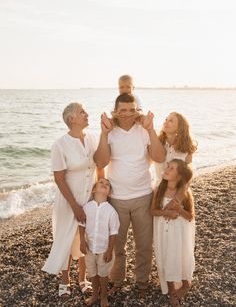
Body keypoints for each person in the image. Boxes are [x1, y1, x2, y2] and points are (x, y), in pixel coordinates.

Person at [93, 93, 165, 296]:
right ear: (115, 111)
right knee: (117, 245)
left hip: (143, 196)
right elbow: (100, 162)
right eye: (123, 110)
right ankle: (116, 280)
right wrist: (104, 135)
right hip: (117, 199)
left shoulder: (144, 131)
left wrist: (151, 129)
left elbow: (159, 157)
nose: (127, 114)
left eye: (132, 110)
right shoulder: (111, 132)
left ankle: (142, 282)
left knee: (143, 244)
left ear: (137, 110)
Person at [42, 102, 103, 297]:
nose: (86, 114)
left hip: (90, 197)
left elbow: (101, 165)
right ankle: (65, 279)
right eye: (81, 112)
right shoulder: (60, 144)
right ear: (71, 119)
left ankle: (82, 278)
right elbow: (59, 179)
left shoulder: (93, 139)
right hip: (69, 200)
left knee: (85, 238)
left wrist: (101, 192)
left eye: (85, 110)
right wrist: (75, 206)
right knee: (67, 239)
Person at [151, 159, 195, 307]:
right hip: (164, 232)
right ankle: (171, 291)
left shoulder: (185, 193)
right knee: (167, 257)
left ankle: (185, 283)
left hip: (180, 233)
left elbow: (190, 216)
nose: (167, 169)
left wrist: (180, 210)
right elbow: (152, 211)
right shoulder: (159, 189)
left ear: (180, 176)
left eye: (171, 168)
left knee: (181, 257)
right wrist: (166, 212)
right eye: (167, 167)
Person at [79, 177, 120, 307]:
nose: (104, 184)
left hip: (104, 250)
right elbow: (81, 224)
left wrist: (109, 250)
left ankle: (103, 297)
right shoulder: (86, 207)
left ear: (109, 192)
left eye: (107, 184)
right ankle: (94, 295)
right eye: (101, 183)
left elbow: (114, 232)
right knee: (93, 273)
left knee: (103, 275)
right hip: (90, 248)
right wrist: (82, 241)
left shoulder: (111, 211)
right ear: (93, 190)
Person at [154, 112, 197, 186]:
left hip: (177, 189)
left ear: (180, 127)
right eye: (166, 119)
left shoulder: (186, 148)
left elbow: (188, 175)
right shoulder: (157, 143)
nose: (166, 122)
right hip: (158, 188)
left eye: (171, 121)